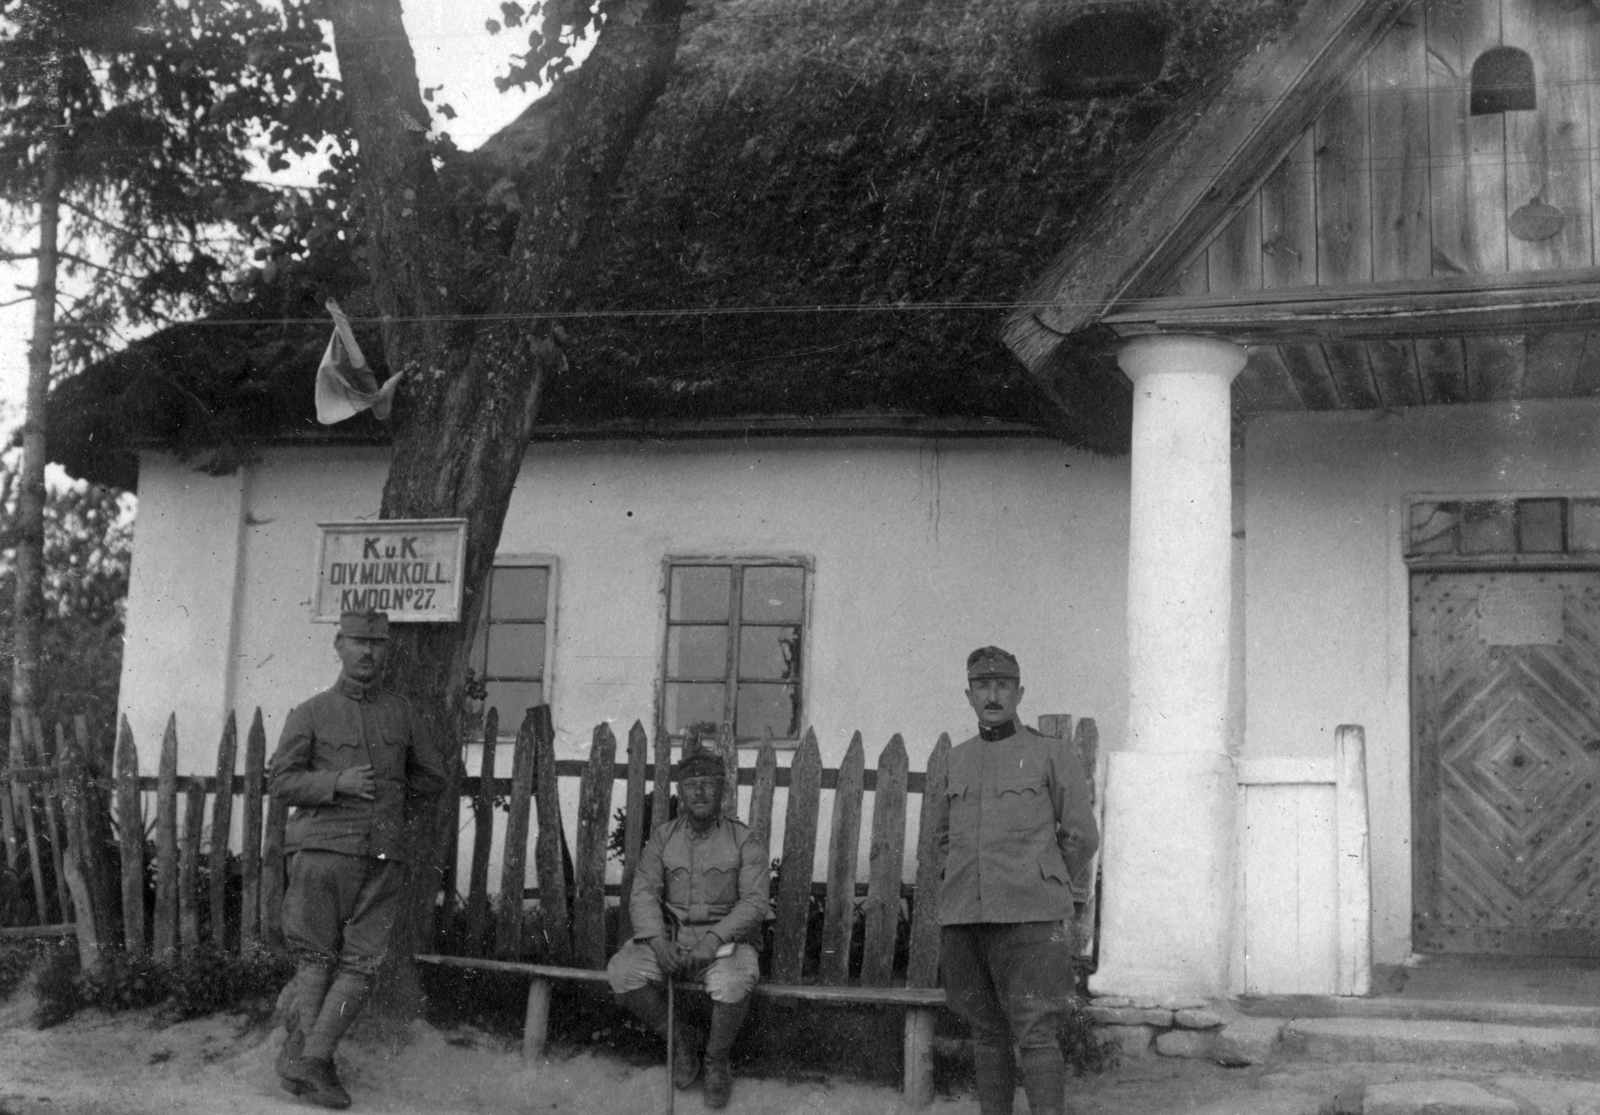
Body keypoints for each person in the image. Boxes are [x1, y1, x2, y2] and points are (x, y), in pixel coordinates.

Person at [267, 609, 447, 1109]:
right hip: (323, 852)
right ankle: (313, 1059)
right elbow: (280, 783)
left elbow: (433, 776)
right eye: (358, 642)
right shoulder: (310, 712)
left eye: (378, 644)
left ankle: (310, 1058)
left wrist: (392, 802)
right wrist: (335, 784)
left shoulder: (403, 713)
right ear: (338, 645)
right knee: (315, 957)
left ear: (387, 650)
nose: (368, 652)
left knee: (361, 964)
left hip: (383, 854)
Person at [930, 646, 1100, 1115]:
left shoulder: (1050, 754)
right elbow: (943, 838)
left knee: (1036, 1032)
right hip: (967, 916)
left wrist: (1042, 876)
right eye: (982, 686)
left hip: (1032, 919)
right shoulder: (956, 760)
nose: (992, 695)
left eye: (1002, 685)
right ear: (968, 695)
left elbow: (1082, 834)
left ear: (1019, 692)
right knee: (986, 1032)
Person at [606, 751, 771, 1109]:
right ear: (681, 791)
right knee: (622, 971)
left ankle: (715, 1059)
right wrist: (657, 941)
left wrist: (713, 940)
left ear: (722, 790)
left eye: (707, 785)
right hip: (673, 940)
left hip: (726, 943)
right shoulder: (664, 839)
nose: (699, 793)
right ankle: (682, 1040)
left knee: (733, 981)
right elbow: (644, 891)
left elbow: (755, 902)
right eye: (691, 786)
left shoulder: (744, 841)